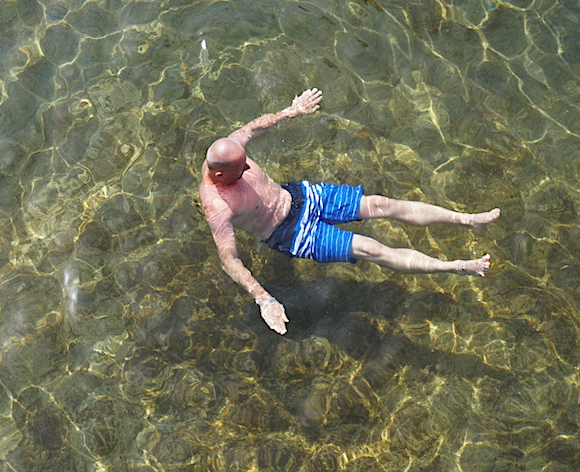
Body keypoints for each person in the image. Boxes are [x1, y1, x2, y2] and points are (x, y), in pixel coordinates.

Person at [199, 88, 500, 334]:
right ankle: (456, 266)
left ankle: (467, 220)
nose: (250, 167)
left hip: (302, 196)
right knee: (370, 247)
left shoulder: (229, 149)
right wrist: (264, 299)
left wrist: (291, 111)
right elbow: (229, 259)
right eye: (243, 169)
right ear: (222, 176)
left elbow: (252, 127)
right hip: (290, 233)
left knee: (381, 203)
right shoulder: (217, 205)